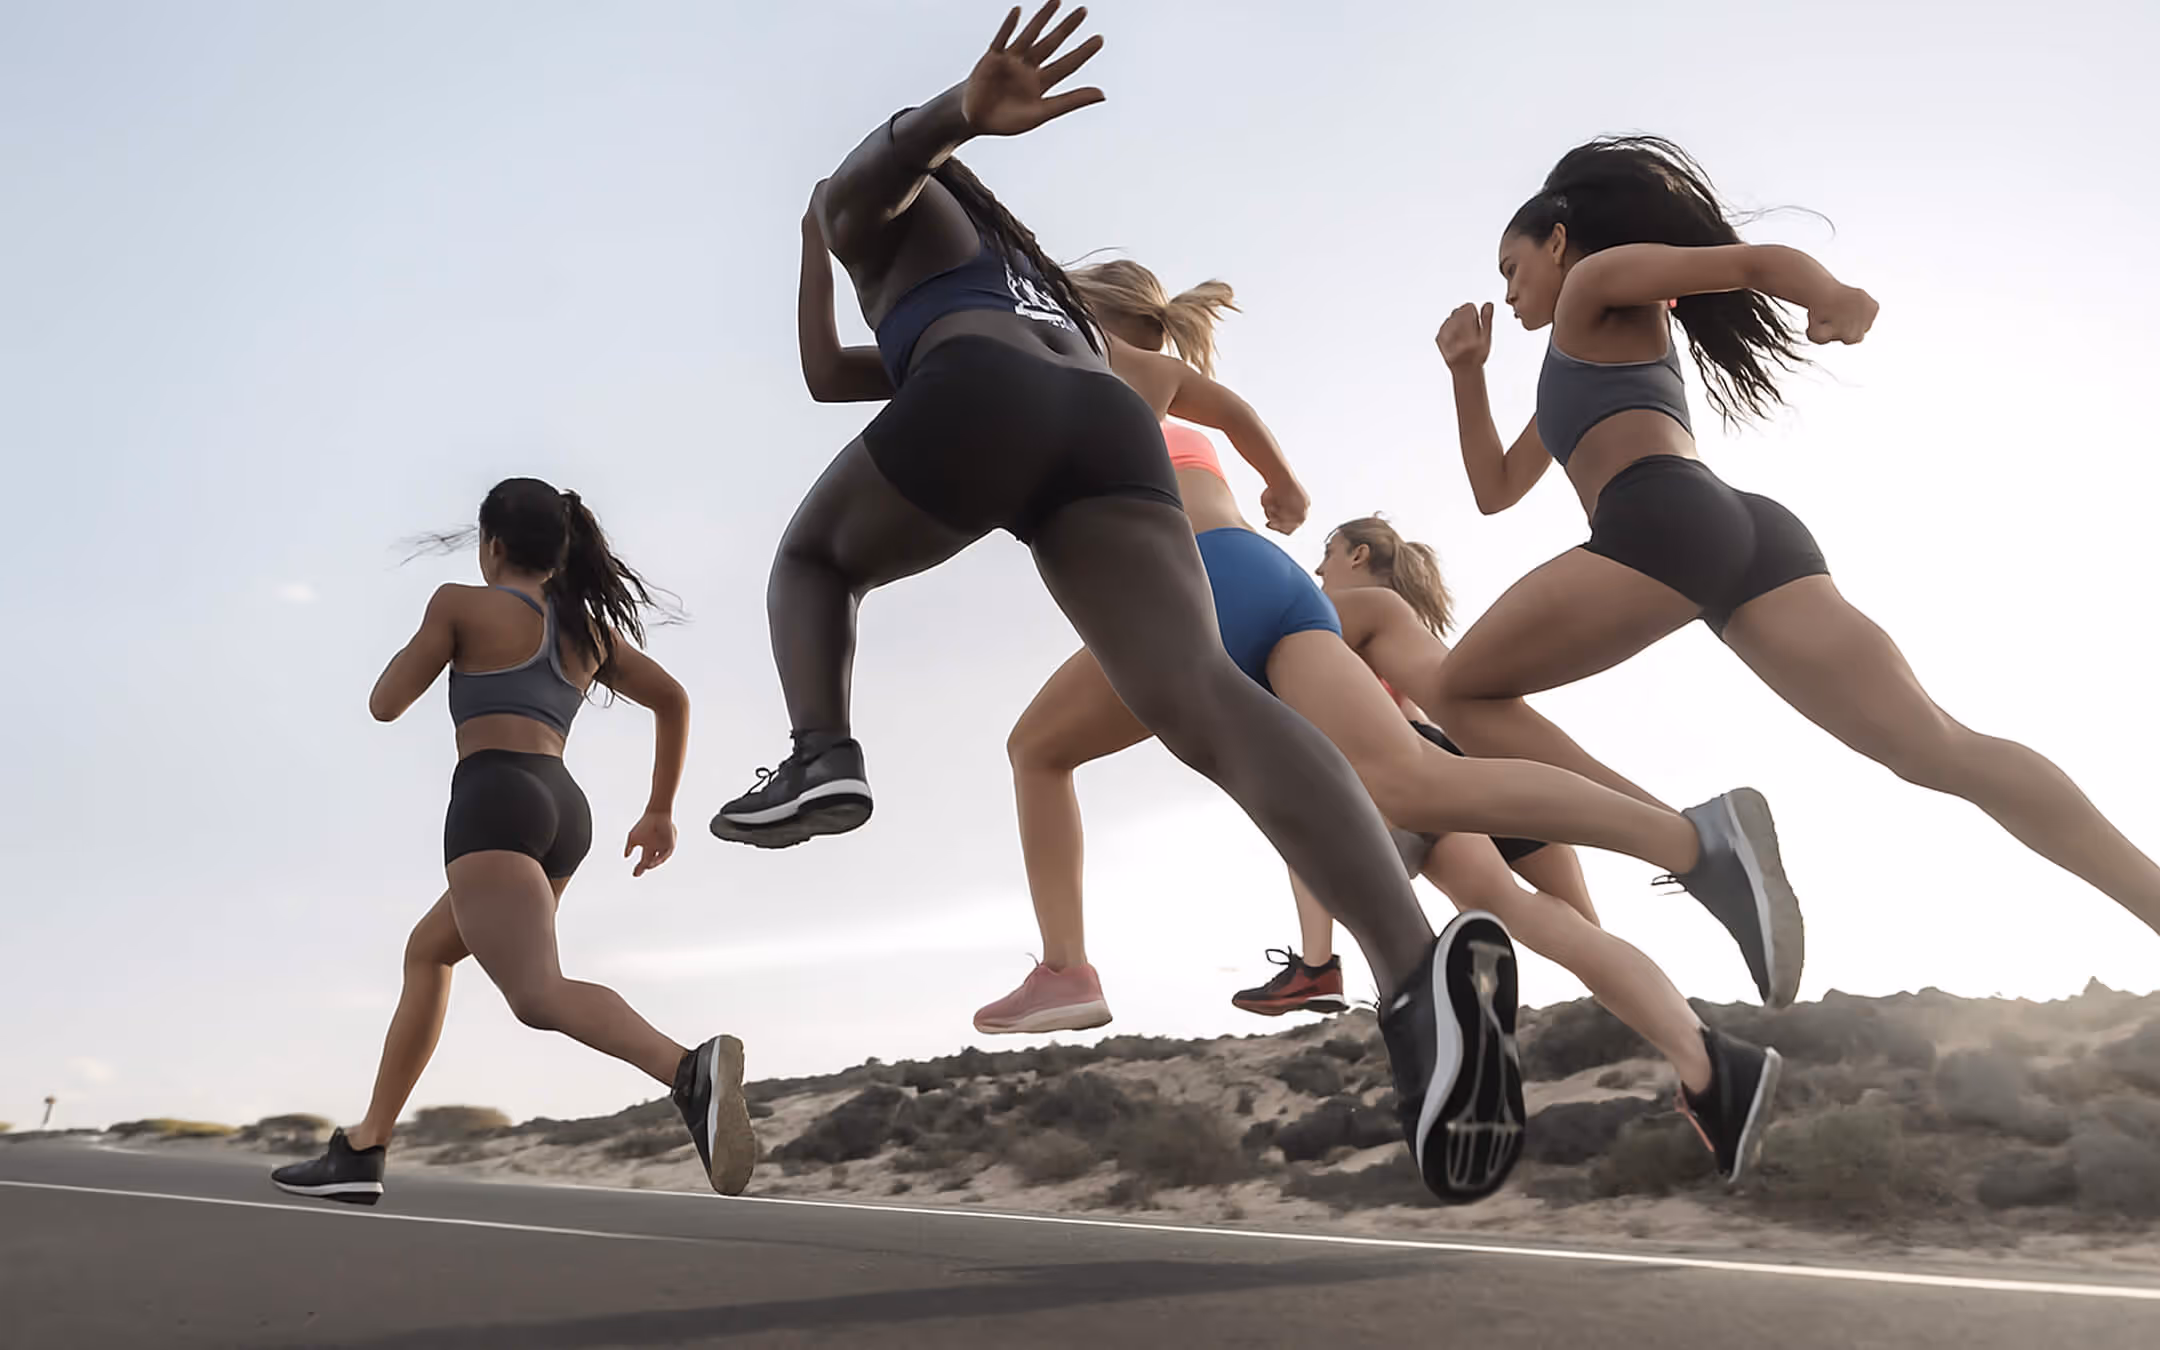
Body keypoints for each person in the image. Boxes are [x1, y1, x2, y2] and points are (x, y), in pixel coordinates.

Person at [706, 2, 1523, 1204]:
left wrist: (939, 126)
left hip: (981, 398)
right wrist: (823, 259)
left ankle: (821, 753)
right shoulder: (1022, 282)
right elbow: (843, 375)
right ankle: (1413, 981)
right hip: (1100, 431)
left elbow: (863, 195)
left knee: (812, 563)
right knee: (1201, 699)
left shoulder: (875, 200)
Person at [1422, 135, 2160, 953]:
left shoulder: (1593, 284)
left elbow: (1751, 262)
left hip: (1660, 520)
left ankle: (1697, 846)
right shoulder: (1574, 356)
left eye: (1510, 266)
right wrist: (1466, 373)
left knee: (1461, 694)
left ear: (1557, 240)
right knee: (1938, 749)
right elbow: (1496, 491)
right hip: (1746, 535)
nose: (1508, 291)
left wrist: (1832, 291)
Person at [270, 478, 755, 1206]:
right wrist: (659, 812)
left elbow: (384, 703)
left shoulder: (459, 604)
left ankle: (688, 1070)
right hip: (562, 809)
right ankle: (364, 1148)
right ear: (559, 554)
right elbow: (673, 699)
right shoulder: (586, 629)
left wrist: (434, 640)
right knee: (428, 951)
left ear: (491, 546)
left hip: (494, 800)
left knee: (536, 995)